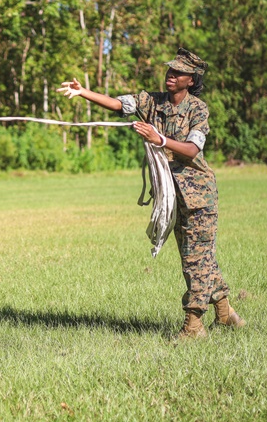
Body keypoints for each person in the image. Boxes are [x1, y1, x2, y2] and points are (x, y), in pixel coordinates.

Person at [57, 48, 244, 339]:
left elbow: (193, 150)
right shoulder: (152, 102)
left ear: (191, 80)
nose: (171, 75)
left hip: (199, 197)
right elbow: (120, 105)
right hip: (172, 196)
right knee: (196, 256)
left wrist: (160, 139)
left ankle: (194, 327)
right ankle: (225, 312)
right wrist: (84, 93)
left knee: (196, 259)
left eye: (179, 73)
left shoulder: (198, 109)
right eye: (170, 70)